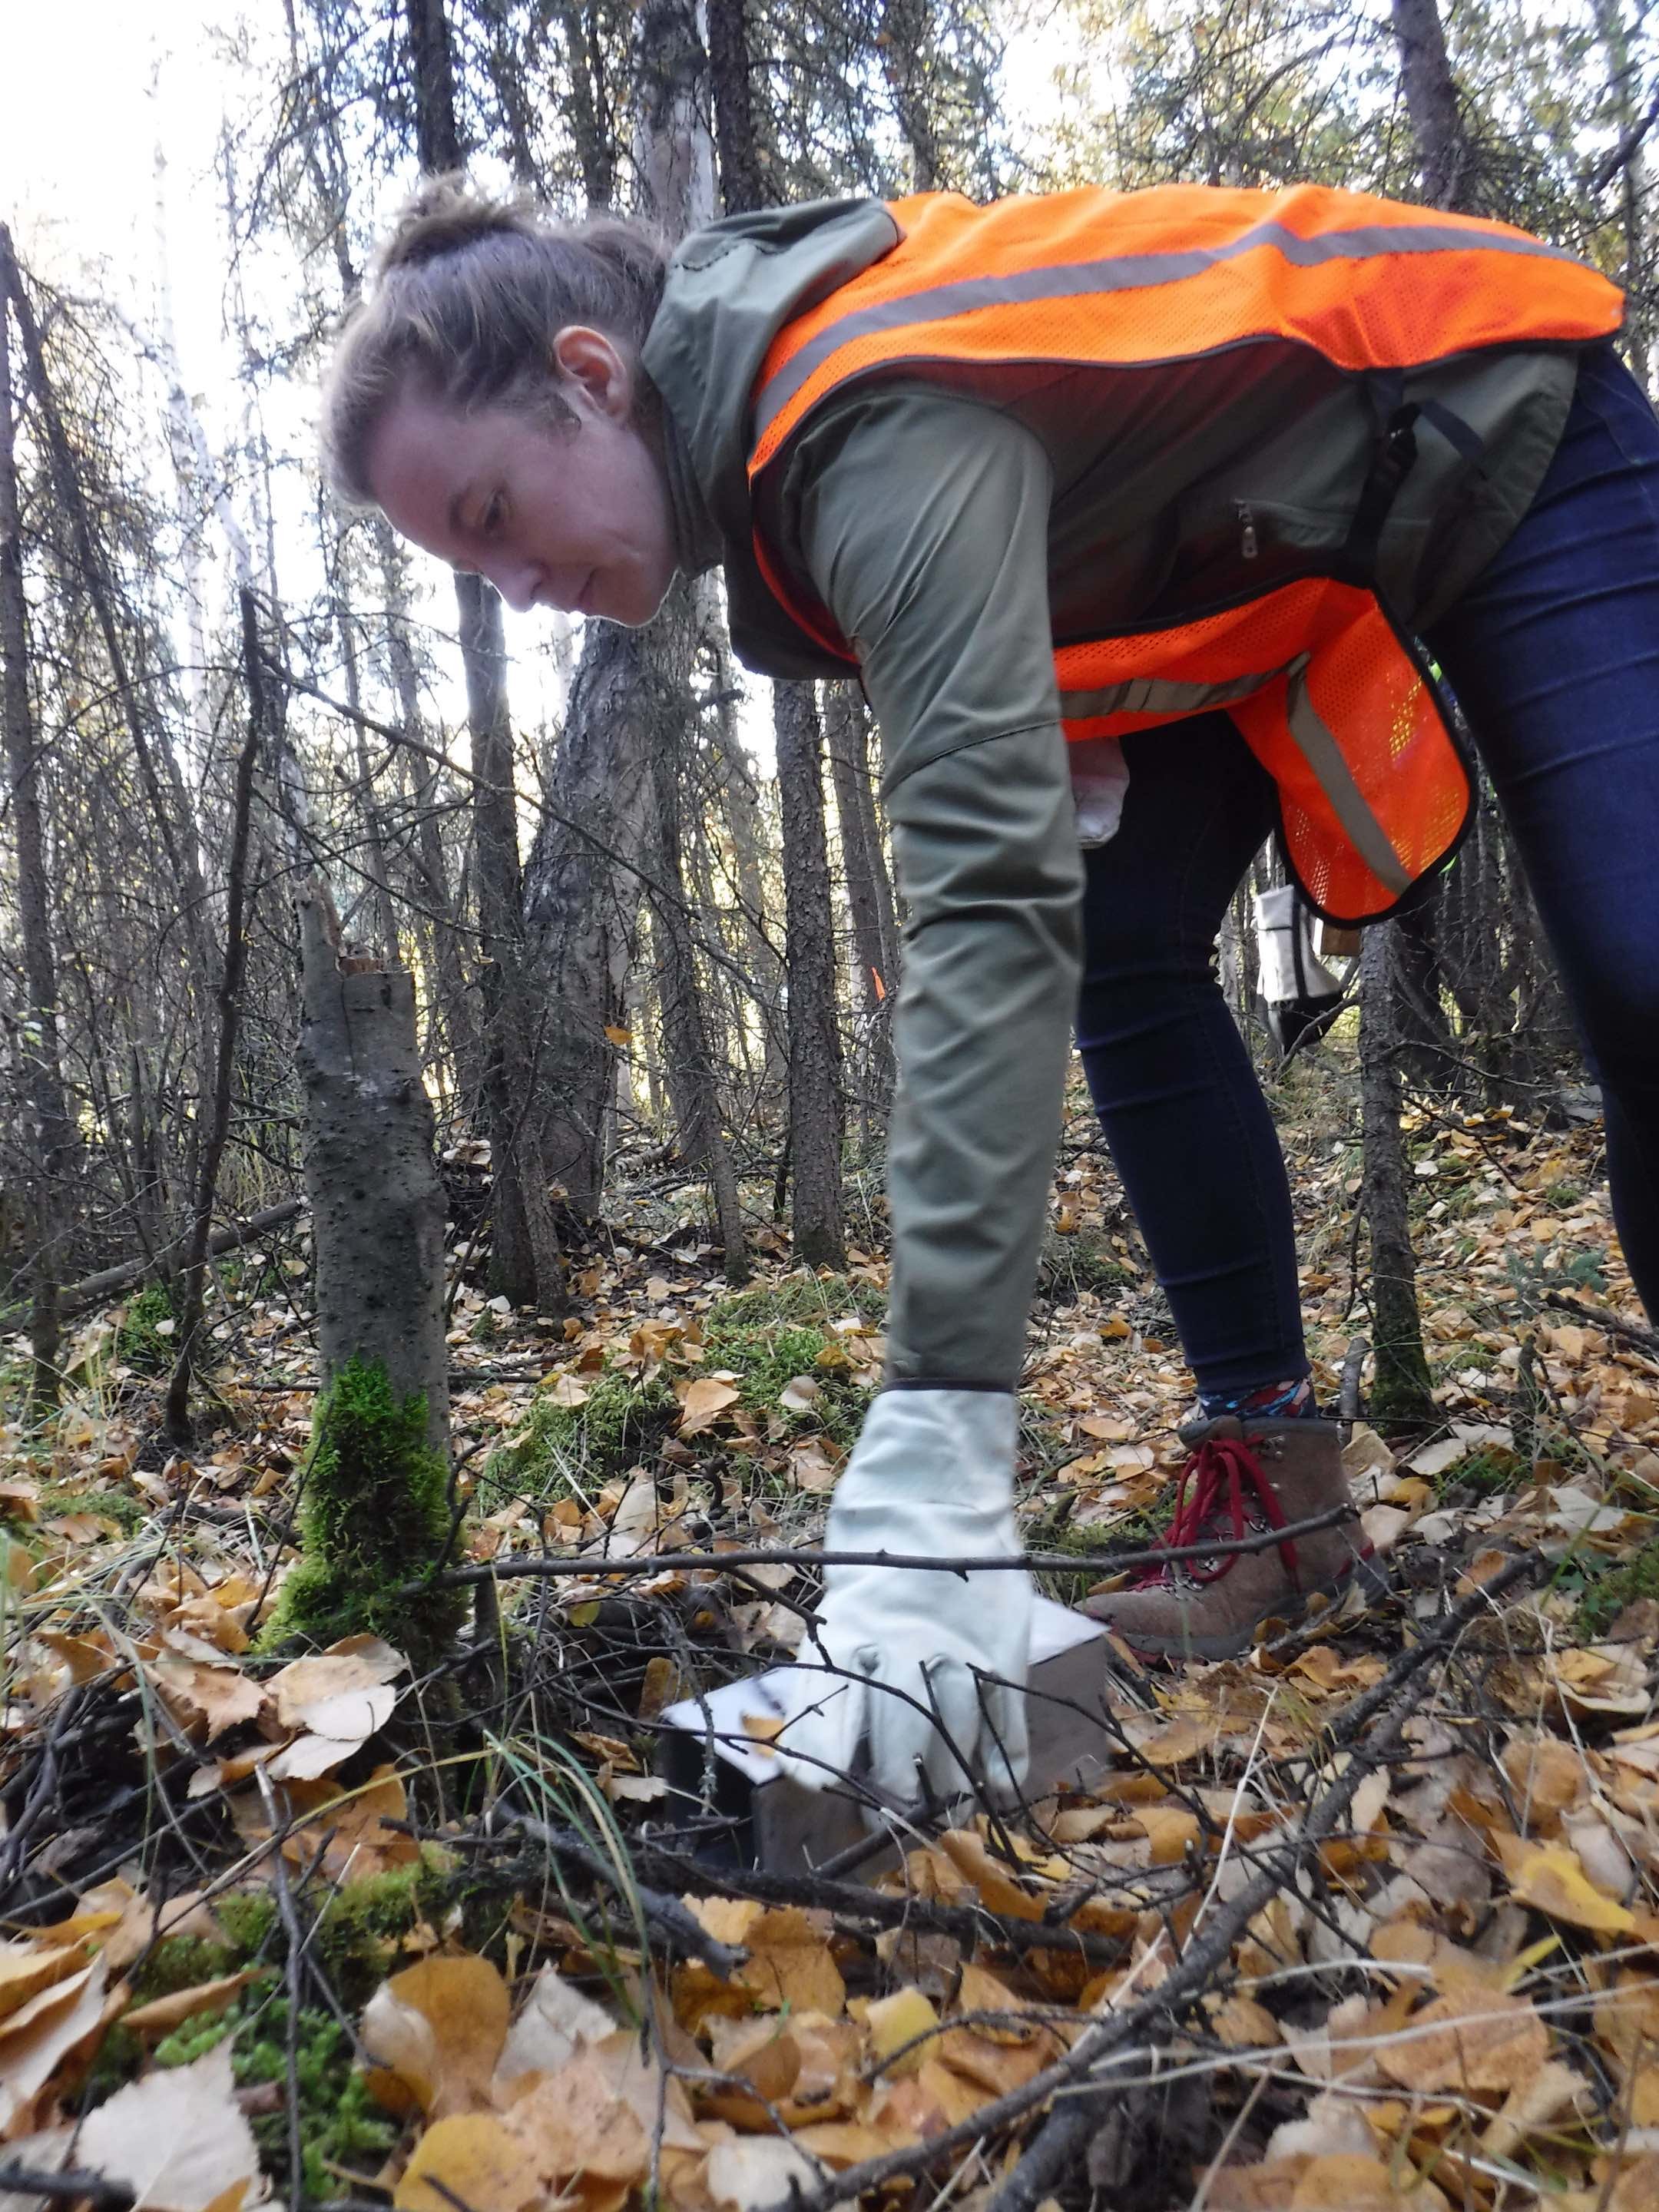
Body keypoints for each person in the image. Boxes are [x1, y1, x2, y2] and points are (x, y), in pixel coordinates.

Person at [324, 173, 1654, 1812]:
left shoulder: (852, 416)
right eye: (470, 568)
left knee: (1645, 962)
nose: (511, 586)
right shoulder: (776, 474)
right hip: (1271, 563)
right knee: (1126, 950)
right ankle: (1281, 1487)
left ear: (593, 378)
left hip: (1489, 398)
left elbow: (984, 900)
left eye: (489, 517)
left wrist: (943, 1412)